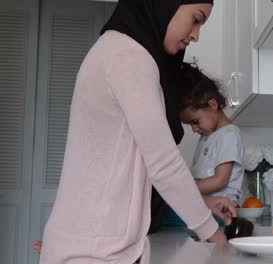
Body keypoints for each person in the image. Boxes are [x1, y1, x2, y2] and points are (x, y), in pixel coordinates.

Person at [39, 0, 236, 263]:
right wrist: (215, 236)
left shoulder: (120, 51)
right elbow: (163, 164)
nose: (195, 35)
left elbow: (135, 169)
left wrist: (204, 205)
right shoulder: (128, 56)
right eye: (196, 19)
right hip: (93, 253)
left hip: (96, 246)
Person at [177, 62, 244, 203]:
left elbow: (220, 181)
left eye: (195, 122)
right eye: (189, 125)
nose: (194, 129)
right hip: (205, 204)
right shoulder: (207, 134)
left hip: (222, 207)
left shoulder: (229, 135)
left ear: (212, 105)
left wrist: (183, 190)